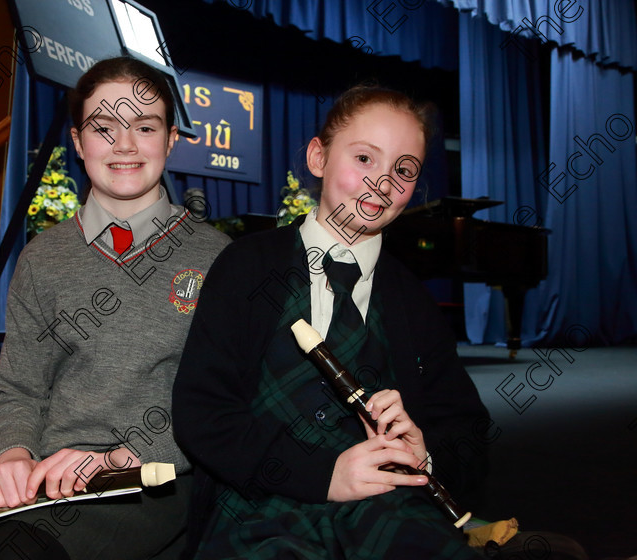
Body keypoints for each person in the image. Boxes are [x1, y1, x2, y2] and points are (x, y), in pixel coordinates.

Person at [0, 56, 229, 560]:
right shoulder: (43, 258)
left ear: (170, 140)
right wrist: (14, 456)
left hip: (155, 479)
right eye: (104, 128)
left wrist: (123, 457)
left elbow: (225, 396)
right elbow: (18, 386)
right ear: (78, 142)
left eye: (144, 127)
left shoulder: (219, 260)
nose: (124, 144)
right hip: (49, 479)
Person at [172, 85, 491, 559]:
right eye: (365, 158)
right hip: (258, 505)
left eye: (403, 169)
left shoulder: (411, 300)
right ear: (318, 157)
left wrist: (424, 450)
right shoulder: (246, 266)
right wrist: (324, 475)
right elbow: (203, 414)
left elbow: (468, 430)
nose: (382, 183)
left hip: (387, 504)